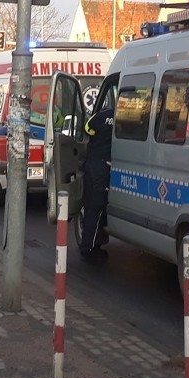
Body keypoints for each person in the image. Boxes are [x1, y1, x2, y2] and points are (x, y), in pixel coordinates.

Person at [79, 106, 114, 262]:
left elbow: (87, 129)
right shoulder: (122, 117)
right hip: (103, 167)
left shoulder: (100, 116)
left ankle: (92, 243)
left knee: (92, 206)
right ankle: (89, 247)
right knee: (97, 207)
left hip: (93, 164)